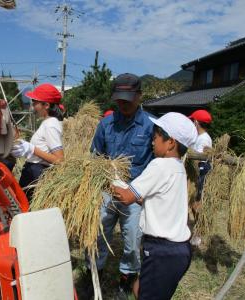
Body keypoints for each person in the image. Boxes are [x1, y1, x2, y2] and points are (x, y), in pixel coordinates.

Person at [112, 112, 198, 300]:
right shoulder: (178, 168)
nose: (152, 141)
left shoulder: (159, 165)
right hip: (179, 251)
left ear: (171, 143)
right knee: (141, 289)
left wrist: (107, 180)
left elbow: (126, 198)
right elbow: (154, 199)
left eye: (156, 137)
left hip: (163, 252)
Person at [86, 73, 154, 299]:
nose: (123, 103)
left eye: (128, 98)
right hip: (107, 191)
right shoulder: (105, 124)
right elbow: (95, 157)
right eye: (120, 99)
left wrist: (146, 192)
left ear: (139, 96)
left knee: (133, 239)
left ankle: (127, 277)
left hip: (135, 194)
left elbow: (157, 164)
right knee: (97, 234)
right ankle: (94, 273)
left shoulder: (151, 126)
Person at [11, 83, 64, 202]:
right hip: (33, 172)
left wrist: (32, 149)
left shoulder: (51, 124)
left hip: (37, 174)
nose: (33, 105)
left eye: (35, 102)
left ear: (46, 105)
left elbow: (59, 160)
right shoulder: (47, 123)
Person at [189, 109, 213, 201]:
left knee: (196, 199)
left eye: (192, 121)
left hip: (200, 172)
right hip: (198, 171)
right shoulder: (198, 136)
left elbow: (198, 159)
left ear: (196, 122)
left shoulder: (204, 139)